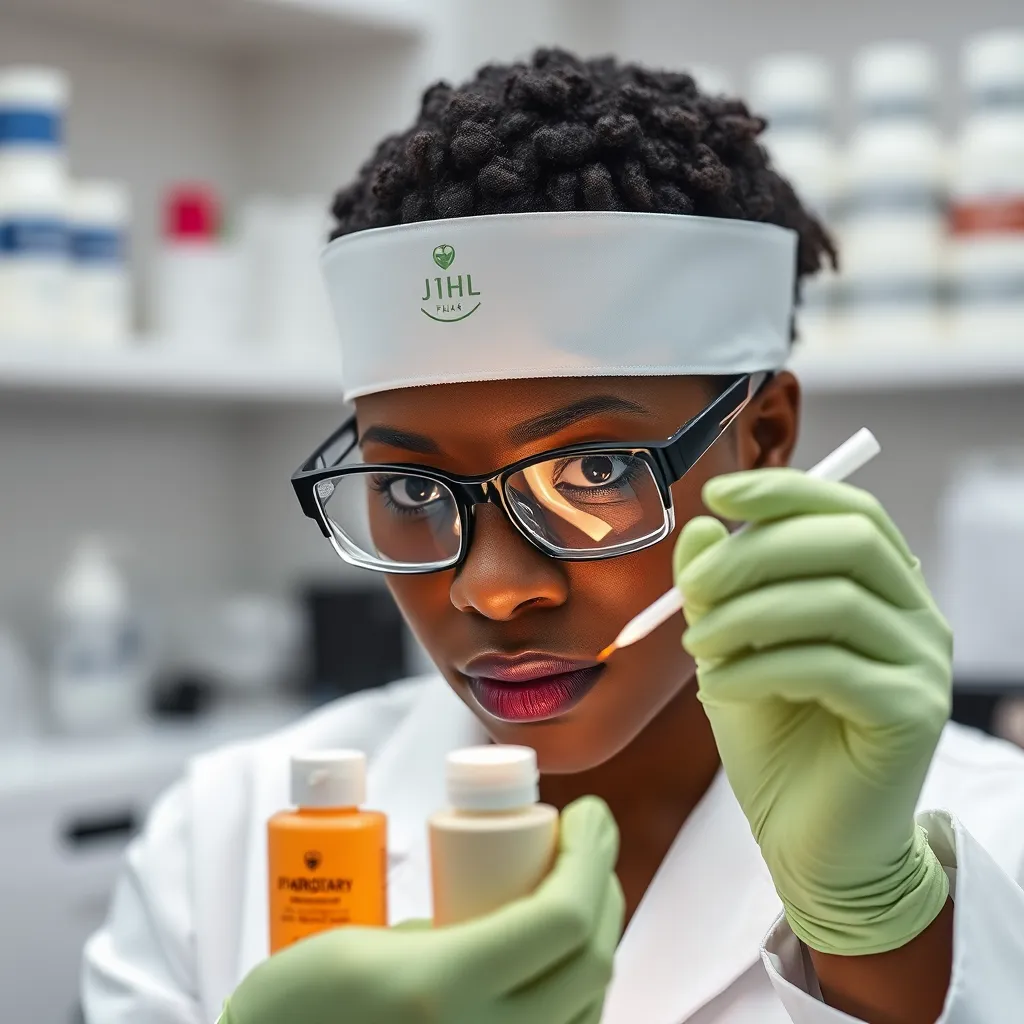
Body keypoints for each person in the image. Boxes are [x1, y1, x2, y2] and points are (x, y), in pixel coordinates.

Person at [83, 50, 1024, 1024]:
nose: (490, 590)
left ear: (764, 437)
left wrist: (878, 926)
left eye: (592, 473)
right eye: (411, 485)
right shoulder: (219, 841)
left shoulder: (1005, 828)